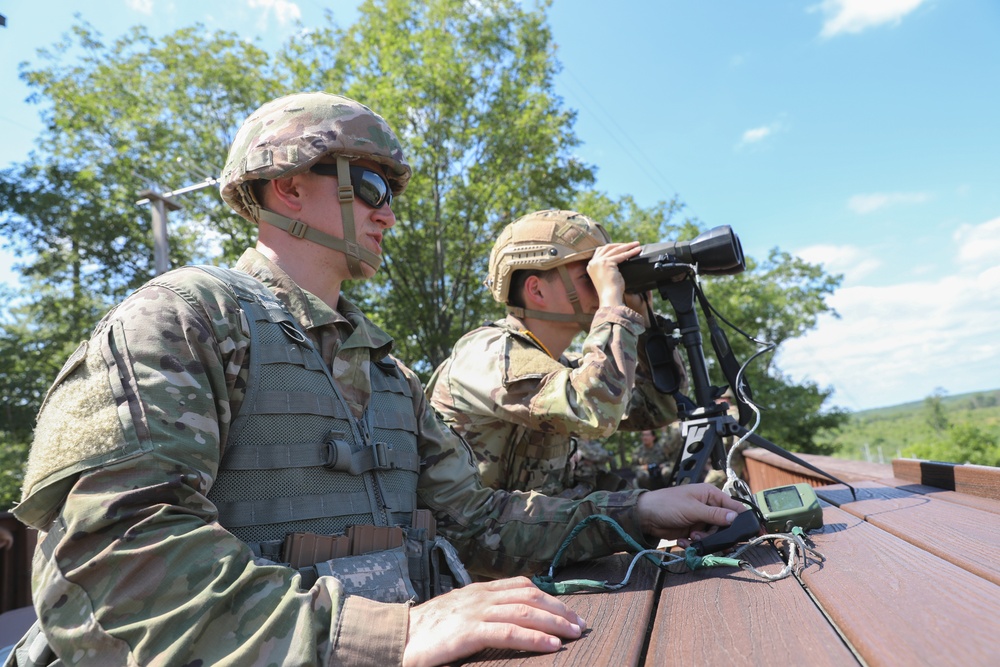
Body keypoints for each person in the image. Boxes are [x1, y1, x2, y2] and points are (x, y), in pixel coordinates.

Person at [9, 92, 744, 667]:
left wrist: (640, 509)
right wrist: (380, 633)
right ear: (288, 188)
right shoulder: (186, 318)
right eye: (369, 184)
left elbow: (475, 522)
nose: (390, 214)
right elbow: (113, 553)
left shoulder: (386, 370)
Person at [427, 209, 688, 498]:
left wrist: (647, 325)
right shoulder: (487, 352)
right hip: (464, 537)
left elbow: (661, 405)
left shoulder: (561, 368)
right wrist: (613, 307)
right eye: (588, 276)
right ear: (536, 290)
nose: (605, 285)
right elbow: (593, 411)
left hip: (526, 533)